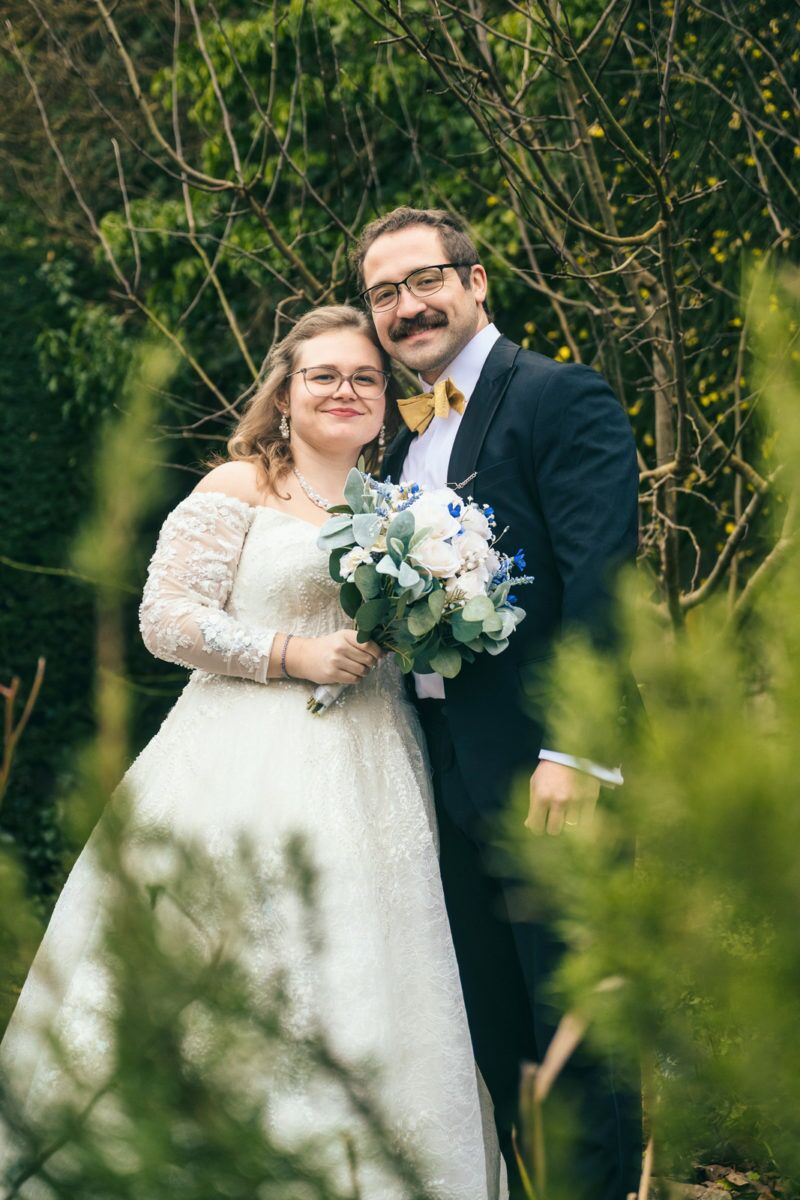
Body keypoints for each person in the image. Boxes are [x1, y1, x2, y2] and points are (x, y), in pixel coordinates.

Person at [0, 306, 505, 1200]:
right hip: (235, 759)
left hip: (374, 759)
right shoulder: (238, 486)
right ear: (284, 393)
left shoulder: (399, 508)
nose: (347, 391)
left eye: (365, 378)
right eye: (325, 376)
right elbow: (164, 620)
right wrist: (290, 653)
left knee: (373, 959)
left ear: (387, 400)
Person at [353, 207, 643, 1200]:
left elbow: (605, 585)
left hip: (546, 774)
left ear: (477, 284)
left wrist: (578, 755)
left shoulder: (558, 398)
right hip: (441, 781)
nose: (405, 307)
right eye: (382, 293)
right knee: (494, 1046)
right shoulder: (393, 447)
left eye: (423, 280)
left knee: (578, 1046)